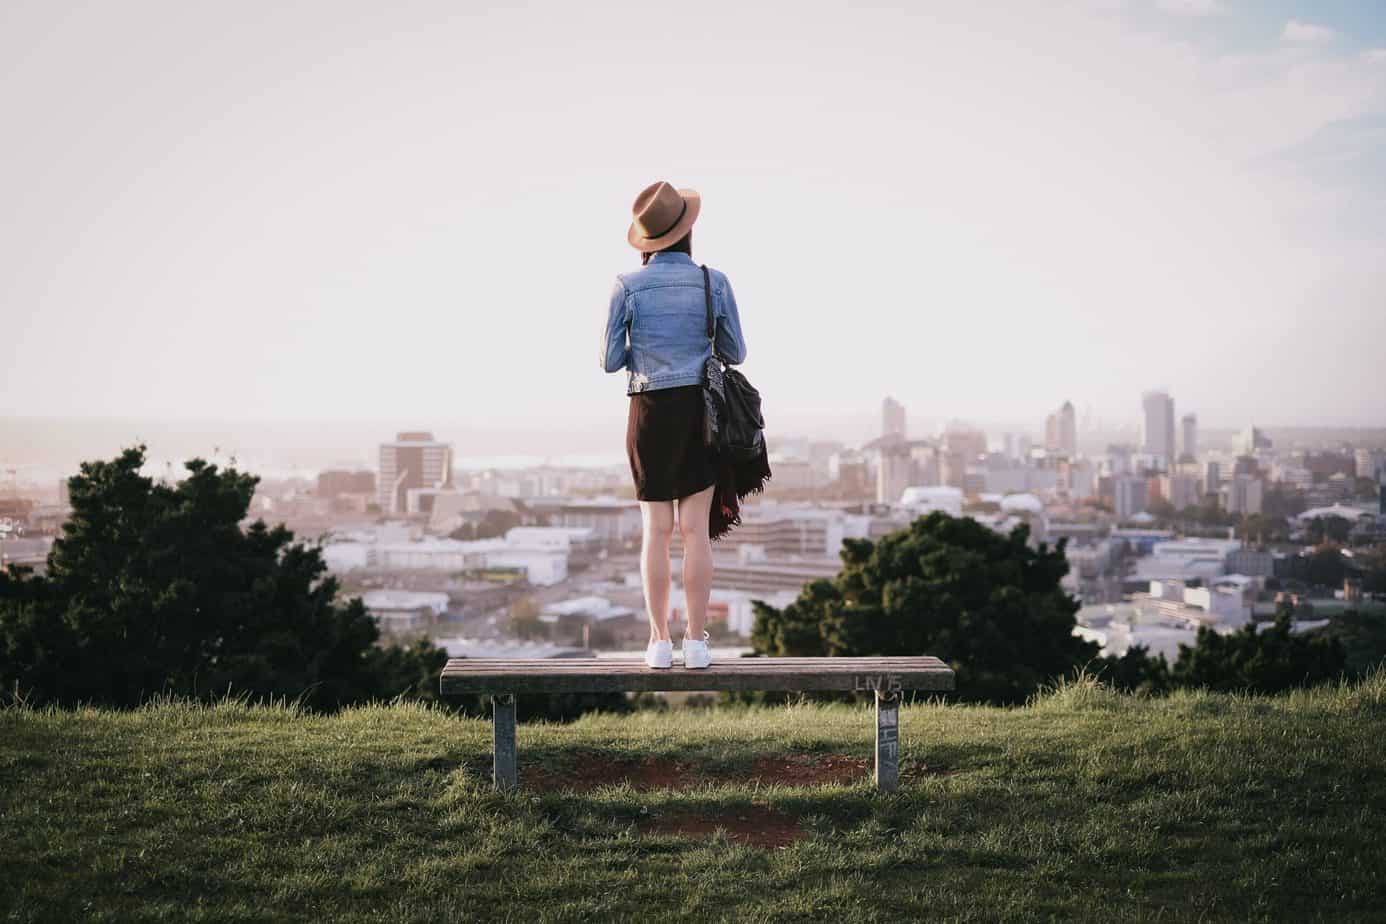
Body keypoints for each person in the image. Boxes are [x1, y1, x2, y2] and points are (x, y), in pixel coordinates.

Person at [601, 180, 748, 670]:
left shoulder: (626, 285)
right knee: (694, 531)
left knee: (655, 530)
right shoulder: (714, 281)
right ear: (687, 231)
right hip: (698, 413)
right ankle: (698, 642)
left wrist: (643, 351)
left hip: (647, 413)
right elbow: (736, 352)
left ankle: (659, 642)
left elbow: (609, 360)